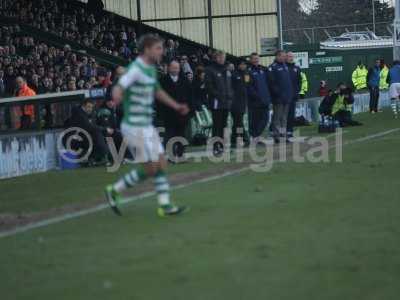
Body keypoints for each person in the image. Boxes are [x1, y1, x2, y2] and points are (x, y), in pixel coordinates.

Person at [106, 34, 190, 217]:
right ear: (147, 50)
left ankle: (161, 204)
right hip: (134, 125)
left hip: (146, 125)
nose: (162, 51)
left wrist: (176, 105)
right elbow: (120, 85)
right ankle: (162, 204)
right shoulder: (136, 69)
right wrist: (117, 95)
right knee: (153, 167)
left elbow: (157, 91)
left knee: (159, 164)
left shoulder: (151, 69)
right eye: (158, 48)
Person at [159, 60, 192, 160]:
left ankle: (180, 154)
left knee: (181, 134)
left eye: (177, 68)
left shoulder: (184, 80)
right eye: (173, 67)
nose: (175, 70)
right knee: (170, 135)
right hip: (169, 113)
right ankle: (172, 155)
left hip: (182, 113)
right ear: (169, 68)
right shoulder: (163, 81)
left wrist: (189, 109)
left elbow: (190, 96)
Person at [205, 50, 234, 155]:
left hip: (226, 102)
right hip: (216, 102)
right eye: (221, 57)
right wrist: (218, 95)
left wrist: (230, 95)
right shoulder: (209, 70)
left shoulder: (226, 70)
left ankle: (221, 146)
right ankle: (215, 147)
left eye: (224, 57)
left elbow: (230, 85)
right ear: (216, 58)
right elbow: (209, 86)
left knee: (223, 125)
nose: (222, 59)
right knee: (217, 125)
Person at [67, 100, 111, 164]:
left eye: (91, 107)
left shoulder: (90, 113)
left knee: (101, 134)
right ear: (83, 106)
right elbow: (88, 126)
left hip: (85, 135)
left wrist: (104, 129)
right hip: (76, 138)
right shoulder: (79, 114)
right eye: (88, 107)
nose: (90, 109)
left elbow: (93, 125)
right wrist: (104, 129)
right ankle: (104, 157)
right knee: (97, 134)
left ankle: (101, 157)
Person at [267, 50, 293, 143]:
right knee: (277, 117)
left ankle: (283, 135)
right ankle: (277, 136)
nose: (284, 58)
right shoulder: (272, 67)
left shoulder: (285, 66)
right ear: (277, 56)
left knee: (284, 118)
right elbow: (271, 83)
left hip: (287, 97)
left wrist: (289, 94)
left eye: (285, 56)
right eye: (283, 56)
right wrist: (277, 94)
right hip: (278, 98)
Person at [247, 52, 271, 140]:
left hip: (265, 100)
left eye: (257, 58)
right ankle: (255, 137)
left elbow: (267, 84)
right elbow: (248, 87)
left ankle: (256, 135)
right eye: (254, 58)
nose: (256, 60)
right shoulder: (248, 72)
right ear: (251, 60)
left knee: (265, 119)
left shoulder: (262, 70)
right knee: (255, 120)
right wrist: (256, 96)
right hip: (255, 102)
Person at [231, 60, 250, 146]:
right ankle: (245, 138)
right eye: (241, 64)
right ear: (238, 65)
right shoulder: (234, 74)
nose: (243, 66)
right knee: (239, 122)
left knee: (237, 122)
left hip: (243, 101)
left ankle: (233, 140)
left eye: (244, 64)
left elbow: (247, 85)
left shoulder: (246, 74)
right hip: (235, 101)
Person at [286, 52, 302, 138]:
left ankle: (289, 131)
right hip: (285, 96)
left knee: (291, 114)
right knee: (284, 114)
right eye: (289, 56)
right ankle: (281, 131)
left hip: (293, 95)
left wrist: (297, 92)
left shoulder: (297, 68)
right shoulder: (284, 67)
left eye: (292, 56)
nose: (290, 58)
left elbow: (299, 81)